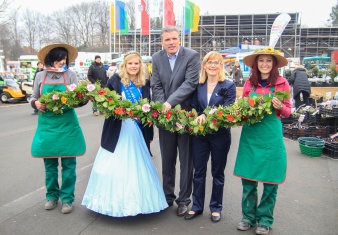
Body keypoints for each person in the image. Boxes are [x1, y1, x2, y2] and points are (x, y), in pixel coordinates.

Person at [82, 51, 167, 217]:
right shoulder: (115, 80)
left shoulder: (145, 83)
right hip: (118, 128)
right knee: (114, 165)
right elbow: (105, 102)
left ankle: (140, 202)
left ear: (140, 65)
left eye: (136, 63)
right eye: (130, 64)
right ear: (124, 65)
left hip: (138, 129)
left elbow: (148, 106)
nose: (133, 66)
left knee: (139, 164)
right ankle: (110, 203)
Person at [233, 47, 291, 235]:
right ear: (256, 64)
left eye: (268, 61)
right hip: (251, 136)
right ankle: (248, 217)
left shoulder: (282, 84)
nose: (265, 64)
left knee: (270, 181)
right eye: (261, 61)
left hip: (271, 136)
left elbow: (288, 112)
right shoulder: (250, 84)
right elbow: (242, 109)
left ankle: (265, 220)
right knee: (248, 180)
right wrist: (236, 114)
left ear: (274, 64)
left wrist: (281, 106)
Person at [30, 43, 86, 214]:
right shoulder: (40, 76)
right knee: (50, 166)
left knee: (69, 165)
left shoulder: (71, 75)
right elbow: (33, 96)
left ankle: (67, 199)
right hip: (47, 126)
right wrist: (35, 103)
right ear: (50, 60)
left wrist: (80, 98)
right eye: (58, 59)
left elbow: (78, 99)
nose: (62, 62)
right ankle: (52, 196)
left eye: (64, 59)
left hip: (67, 125)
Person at [151, 26, 201, 217]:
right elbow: (155, 85)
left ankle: (183, 200)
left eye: (174, 39)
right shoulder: (157, 58)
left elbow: (190, 84)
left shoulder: (191, 56)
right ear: (162, 42)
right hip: (165, 118)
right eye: (167, 40)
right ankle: (167, 196)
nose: (171, 43)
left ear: (179, 39)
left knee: (186, 161)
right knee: (167, 159)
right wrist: (162, 106)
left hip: (185, 116)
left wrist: (169, 103)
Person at [184, 51, 236, 223]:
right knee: (198, 171)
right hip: (200, 135)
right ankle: (197, 206)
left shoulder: (228, 85)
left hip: (220, 135)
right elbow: (193, 108)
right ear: (204, 65)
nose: (212, 65)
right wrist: (196, 116)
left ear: (221, 66)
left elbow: (227, 110)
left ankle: (216, 207)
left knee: (217, 172)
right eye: (209, 62)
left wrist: (207, 115)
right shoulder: (198, 85)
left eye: (216, 62)